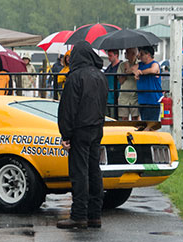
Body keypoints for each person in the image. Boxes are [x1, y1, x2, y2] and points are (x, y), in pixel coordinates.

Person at [57, 41, 108, 229]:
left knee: (79, 172)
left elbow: (68, 109)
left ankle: (78, 215)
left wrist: (66, 134)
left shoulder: (75, 77)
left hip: (80, 130)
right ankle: (95, 215)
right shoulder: (100, 77)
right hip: (97, 128)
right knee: (94, 170)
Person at [133, 46, 163, 123]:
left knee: (151, 125)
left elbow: (153, 70)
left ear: (148, 55)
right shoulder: (140, 65)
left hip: (152, 100)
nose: (140, 56)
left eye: (142, 54)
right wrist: (137, 58)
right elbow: (131, 69)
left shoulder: (155, 64)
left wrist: (141, 72)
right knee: (144, 123)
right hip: (142, 100)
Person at [117, 48, 140, 121]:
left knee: (135, 118)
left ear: (133, 54)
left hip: (135, 95)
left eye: (127, 53)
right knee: (124, 118)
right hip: (124, 95)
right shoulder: (122, 65)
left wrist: (130, 70)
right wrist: (126, 72)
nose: (125, 54)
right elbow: (120, 81)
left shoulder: (139, 64)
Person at [104, 49, 122, 118]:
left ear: (116, 55)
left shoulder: (120, 66)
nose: (109, 57)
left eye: (110, 56)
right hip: (108, 97)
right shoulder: (109, 67)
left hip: (115, 97)